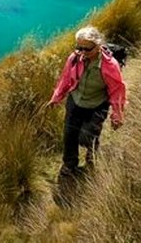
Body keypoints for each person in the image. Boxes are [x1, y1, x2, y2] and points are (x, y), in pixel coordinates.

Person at [46, 26, 126, 175]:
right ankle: (69, 165)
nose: (82, 52)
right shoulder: (74, 58)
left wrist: (117, 114)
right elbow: (65, 79)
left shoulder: (109, 66)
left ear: (98, 46)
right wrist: (56, 97)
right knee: (69, 134)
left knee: (86, 137)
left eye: (87, 49)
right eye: (79, 47)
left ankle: (91, 156)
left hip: (96, 105)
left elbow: (117, 90)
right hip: (75, 101)